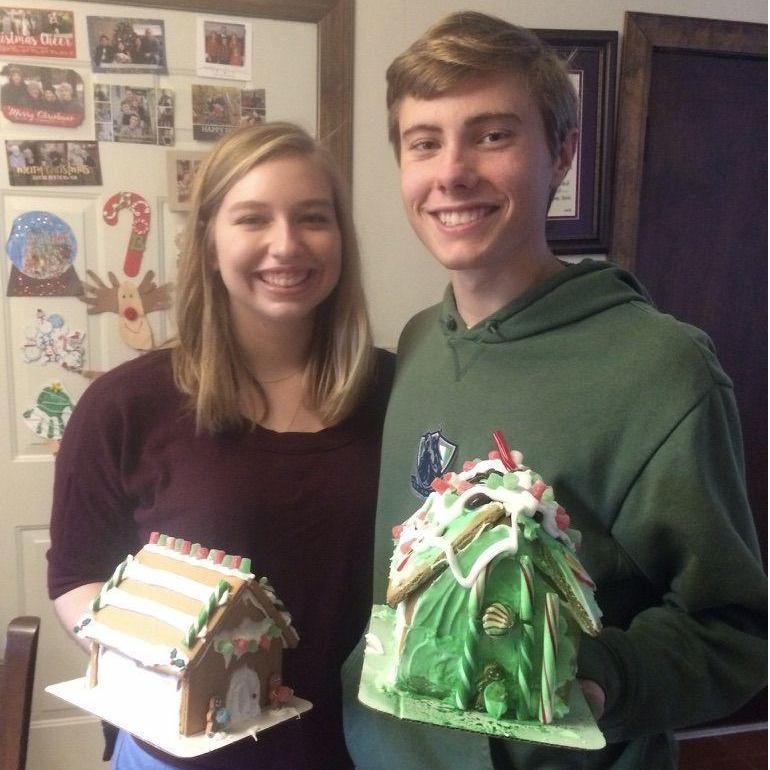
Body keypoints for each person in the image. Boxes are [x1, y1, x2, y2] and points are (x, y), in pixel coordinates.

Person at [342, 11, 767, 770]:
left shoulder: (662, 371)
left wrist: (599, 681)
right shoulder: (413, 347)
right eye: (424, 142)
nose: (452, 173)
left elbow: (735, 632)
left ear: (562, 153)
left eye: (493, 135)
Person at [48, 121, 394, 770]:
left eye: (313, 218)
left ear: (341, 239)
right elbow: (74, 576)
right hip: (180, 753)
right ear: (208, 244)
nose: (286, 245)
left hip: (358, 751)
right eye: (253, 219)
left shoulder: (395, 394)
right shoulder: (125, 406)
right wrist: (172, 667)